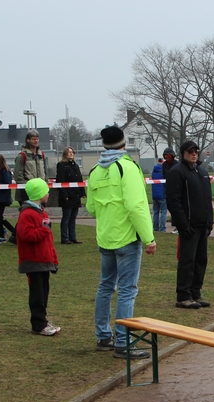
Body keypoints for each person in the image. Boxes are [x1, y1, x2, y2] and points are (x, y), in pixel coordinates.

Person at [87, 126, 156, 359]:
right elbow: (136, 206)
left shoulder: (95, 170)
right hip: (127, 238)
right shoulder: (128, 167)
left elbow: (91, 207)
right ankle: (124, 342)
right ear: (124, 143)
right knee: (127, 290)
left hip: (106, 237)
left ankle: (103, 336)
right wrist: (149, 238)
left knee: (105, 286)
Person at [166, 140, 214, 308]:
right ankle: (183, 295)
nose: (194, 154)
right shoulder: (177, 172)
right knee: (187, 260)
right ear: (183, 153)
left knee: (201, 260)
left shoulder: (201, 172)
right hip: (189, 225)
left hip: (202, 224)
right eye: (190, 152)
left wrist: (209, 221)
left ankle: (195, 292)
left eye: (196, 151)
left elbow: (207, 199)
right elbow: (173, 201)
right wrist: (183, 224)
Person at [15, 178, 60, 336]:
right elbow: (26, 235)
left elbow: (48, 241)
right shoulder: (27, 214)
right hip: (33, 261)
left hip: (44, 260)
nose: (48, 194)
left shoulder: (42, 212)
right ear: (40, 194)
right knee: (37, 294)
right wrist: (44, 230)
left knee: (44, 292)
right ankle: (38, 324)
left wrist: (53, 259)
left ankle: (42, 320)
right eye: (46, 191)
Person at [55, 147, 85, 244]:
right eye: (69, 152)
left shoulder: (75, 165)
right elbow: (60, 180)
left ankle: (73, 237)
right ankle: (64, 238)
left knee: (73, 217)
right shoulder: (62, 165)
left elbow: (80, 179)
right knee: (66, 217)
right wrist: (64, 195)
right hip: (67, 195)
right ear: (65, 154)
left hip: (75, 195)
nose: (71, 154)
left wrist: (82, 192)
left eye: (72, 152)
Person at [151, 157, 167, 232]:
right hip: (162, 194)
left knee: (156, 212)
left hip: (155, 194)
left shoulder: (153, 171)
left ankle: (155, 228)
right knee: (163, 212)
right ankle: (162, 228)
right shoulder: (164, 171)